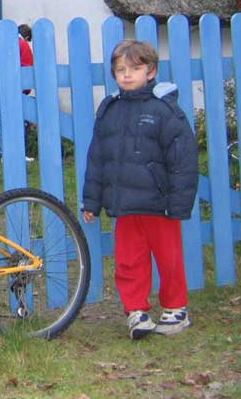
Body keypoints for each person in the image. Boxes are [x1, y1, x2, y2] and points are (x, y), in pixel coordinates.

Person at [81, 40, 198, 339]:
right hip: (125, 205)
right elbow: (97, 159)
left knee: (169, 259)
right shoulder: (109, 111)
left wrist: (180, 202)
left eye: (135, 68)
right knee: (129, 260)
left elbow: (183, 158)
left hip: (160, 205)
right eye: (121, 70)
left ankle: (176, 309)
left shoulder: (164, 110)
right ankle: (136, 311)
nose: (127, 75)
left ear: (151, 71)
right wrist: (91, 202)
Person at [0, 23, 34, 158]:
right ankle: (20, 153)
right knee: (18, 122)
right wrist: (26, 90)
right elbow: (27, 67)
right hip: (17, 89)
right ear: (27, 36)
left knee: (2, 123)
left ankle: (4, 153)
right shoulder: (23, 45)